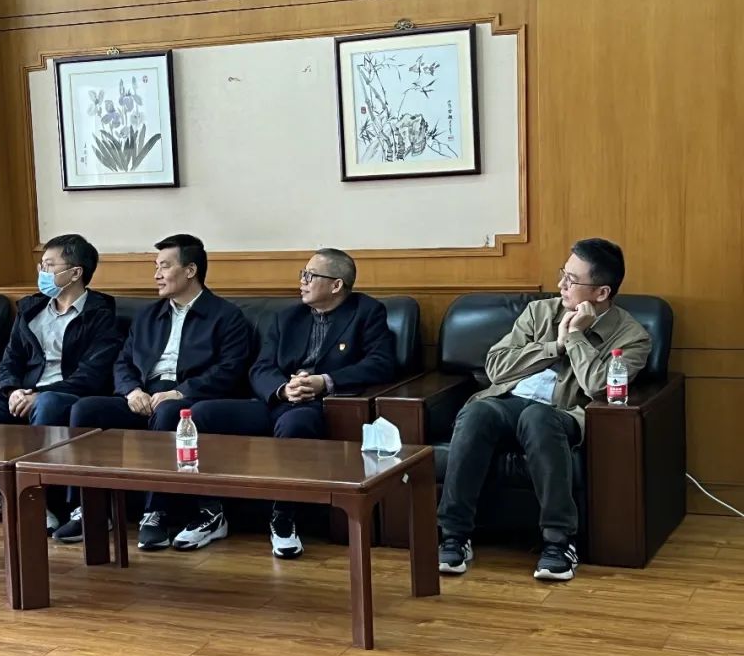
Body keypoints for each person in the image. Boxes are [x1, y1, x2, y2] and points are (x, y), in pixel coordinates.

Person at [437, 238, 652, 581]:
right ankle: (454, 536)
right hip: (510, 402)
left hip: (564, 413)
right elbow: (496, 367)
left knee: (537, 417)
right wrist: (556, 345)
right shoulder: (539, 312)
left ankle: (559, 543)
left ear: (601, 292)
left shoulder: (632, 336)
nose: (560, 285)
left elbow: (599, 386)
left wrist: (577, 337)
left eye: (572, 280)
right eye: (563, 274)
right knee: (477, 413)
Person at [189, 248, 397, 558]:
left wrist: (325, 381)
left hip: (320, 405)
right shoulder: (287, 317)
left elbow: (381, 363)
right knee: (201, 414)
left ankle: (283, 518)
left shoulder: (366, 312)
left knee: (295, 423)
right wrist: (283, 390)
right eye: (303, 274)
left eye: (310, 275)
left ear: (336, 285)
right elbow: (260, 367)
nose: (302, 281)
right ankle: (211, 513)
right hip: (276, 400)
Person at [62, 234, 252, 548]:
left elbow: (229, 370)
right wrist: (131, 391)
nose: (156, 275)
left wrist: (181, 392)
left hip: (187, 398)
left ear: (190, 270)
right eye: (156, 267)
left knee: (168, 412)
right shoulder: (148, 315)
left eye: (164, 266)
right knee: (85, 409)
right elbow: (123, 361)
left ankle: (156, 512)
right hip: (143, 395)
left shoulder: (226, 316)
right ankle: (90, 508)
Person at [0, 234, 120, 529]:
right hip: (19, 397)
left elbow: (92, 374)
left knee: (48, 403)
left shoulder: (101, 315)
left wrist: (38, 394)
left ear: (75, 273)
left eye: (49, 266)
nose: (42, 272)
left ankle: (40, 502)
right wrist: (12, 390)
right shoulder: (31, 310)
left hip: (64, 397)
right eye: (40, 265)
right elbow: (9, 360)